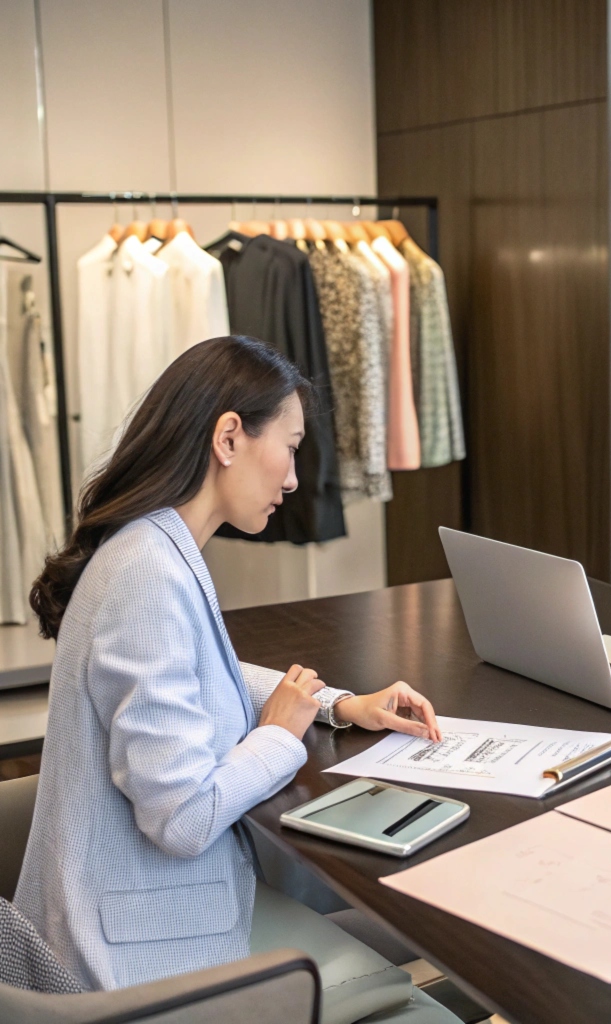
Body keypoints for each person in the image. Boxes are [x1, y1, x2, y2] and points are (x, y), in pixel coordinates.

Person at [15, 336, 455, 1022]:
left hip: (123, 909)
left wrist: (337, 704)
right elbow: (183, 819)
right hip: (135, 959)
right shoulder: (149, 575)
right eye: (290, 446)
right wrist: (280, 737)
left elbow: (199, 669)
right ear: (228, 437)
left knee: (350, 907)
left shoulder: (148, 542)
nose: (291, 480)